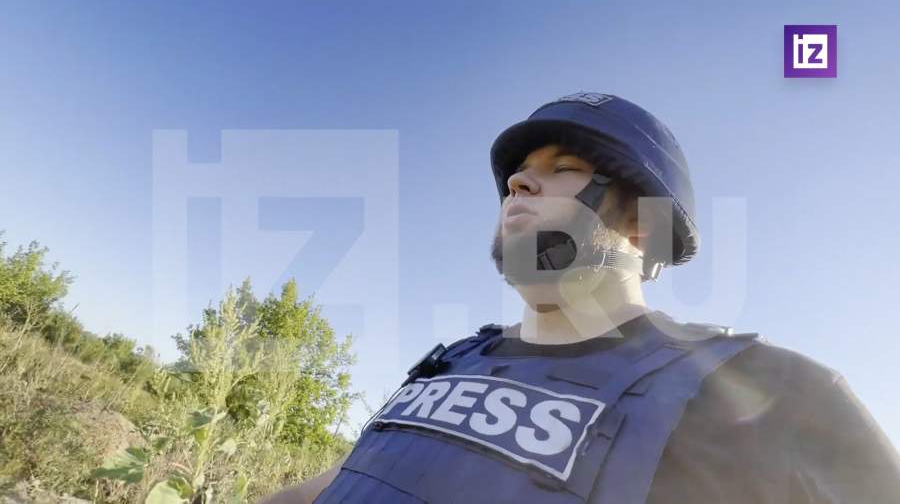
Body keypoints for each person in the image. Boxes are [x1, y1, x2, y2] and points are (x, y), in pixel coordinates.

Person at [261, 92, 900, 503]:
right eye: (518, 175)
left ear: (642, 223)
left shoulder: (774, 397)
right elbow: (343, 483)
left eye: (564, 169)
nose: (518, 182)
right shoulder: (449, 361)